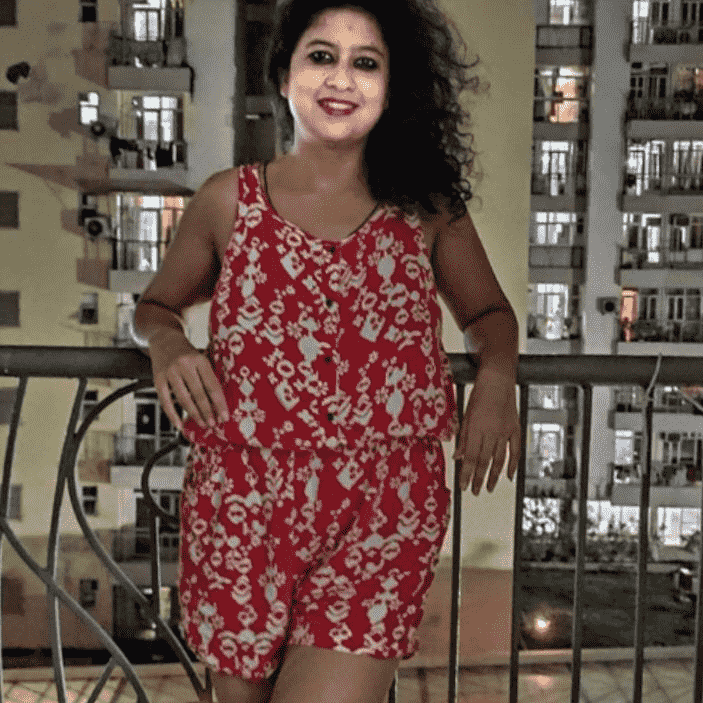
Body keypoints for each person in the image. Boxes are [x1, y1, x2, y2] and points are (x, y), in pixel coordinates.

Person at [133, 0, 520, 701]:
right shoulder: (227, 202)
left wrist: (495, 378)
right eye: (321, 56)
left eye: (365, 62)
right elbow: (156, 306)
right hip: (241, 506)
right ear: (284, 75)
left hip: (385, 509)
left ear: (391, 87)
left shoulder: (426, 208)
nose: (341, 78)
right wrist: (167, 344)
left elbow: (489, 314)